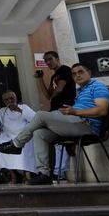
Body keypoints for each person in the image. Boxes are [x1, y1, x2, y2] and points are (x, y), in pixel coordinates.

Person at [0, 63, 109, 185]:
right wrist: (69, 112)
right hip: (75, 122)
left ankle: (16, 144)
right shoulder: (80, 92)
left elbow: (102, 110)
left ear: (89, 73)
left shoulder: (98, 87)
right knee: (40, 133)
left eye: (81, 72)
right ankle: (45, 174)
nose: (77, 75)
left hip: (87, 126)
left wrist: (75, 111)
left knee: (41, 115)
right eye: (74, 74)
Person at [35, 50, 76, 180]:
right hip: (55, 111)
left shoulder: (64, 70)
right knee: (56, 140)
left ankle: (59, 172)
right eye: (46, 60)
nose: (48, 62)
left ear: (57, 58)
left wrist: (53, 97)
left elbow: (59, 89)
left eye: (50, 59)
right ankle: (57, 172)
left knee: (58, 139)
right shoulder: (54, 77)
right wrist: (39, 79)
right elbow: (48, 95)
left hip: (64, 110)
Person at [0, 90, 36, 184]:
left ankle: (27, 175)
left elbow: (35, 119)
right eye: (6, 100)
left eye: (11, 98)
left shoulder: (24, 107)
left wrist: (19, 110)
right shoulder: (3, 111)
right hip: (8, 137)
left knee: (26, 144)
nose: (9, 101)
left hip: (24, 136)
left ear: (16, 98)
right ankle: (13, 175)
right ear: (4, 102)